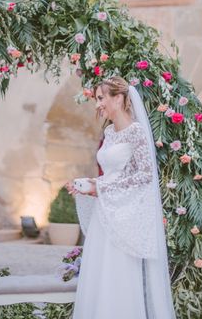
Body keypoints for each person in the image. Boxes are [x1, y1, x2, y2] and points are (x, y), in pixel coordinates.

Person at [69, 76, 175, 318]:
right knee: (100, 272)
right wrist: (90, 184)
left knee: (119, 274)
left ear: (118, 98)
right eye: (96, 99)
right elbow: (115, 173)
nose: (97, 104)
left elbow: (146, 175)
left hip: (125, 215)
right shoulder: (109, 131)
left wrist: (101, 188)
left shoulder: (136, 132)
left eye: (101, 98)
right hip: (105, 211)